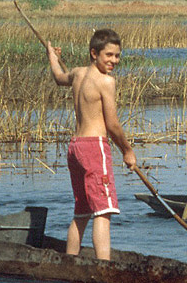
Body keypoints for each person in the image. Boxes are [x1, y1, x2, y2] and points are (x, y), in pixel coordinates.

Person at [46, 28, 136, 259]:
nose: (114, 61)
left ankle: (70, 261)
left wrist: (52, 57)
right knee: (103, 212)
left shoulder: (77, 73)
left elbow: (58, 77)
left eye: (117, 56)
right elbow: (113, 125)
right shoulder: (106, 82)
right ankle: (103, 266)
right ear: (94, 53)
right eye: (109, 55)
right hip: (94, 147)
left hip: (75, 147)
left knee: (83, 212)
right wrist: (127, 151)